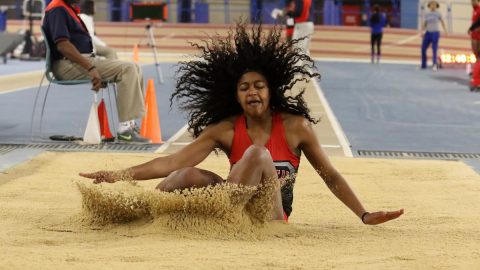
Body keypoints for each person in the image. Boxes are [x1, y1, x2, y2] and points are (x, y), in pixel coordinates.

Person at [80, 22, 404, 225]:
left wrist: (363, 214)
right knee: (186, 173)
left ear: (270, 90)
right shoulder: (225, 128)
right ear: (235, 96)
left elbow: (330, 175)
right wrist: (117, 176)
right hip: (232, 203)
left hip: (271, 217)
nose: (252, 92)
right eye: (244, 87)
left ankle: (223, 216)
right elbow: (172, 161)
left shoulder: (296, 127)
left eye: (258, 86)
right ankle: (138, 212)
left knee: (258, 154)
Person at [42, 0, 150, 143]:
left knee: (135, 67)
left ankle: (129, 123)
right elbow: (63, 46)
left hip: (79, 60)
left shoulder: (67, 8)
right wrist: (91, 68)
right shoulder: (57, 9)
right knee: (128, 69)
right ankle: (125, 130)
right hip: (67, 64)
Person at [420, 0, 448, 71]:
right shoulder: (427, 14)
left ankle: (434, 64)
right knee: (423, 48)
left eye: (434, 4)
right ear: (429, 6)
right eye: (432, 4)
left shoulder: (438, 13)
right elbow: (425, 23)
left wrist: (445, 31)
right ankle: (424, 64)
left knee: (434, 49)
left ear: (436, 6)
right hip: (428, 33)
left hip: (435, 33)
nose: (433, 6)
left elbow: (442, 22)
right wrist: (422, 31)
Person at [468, 0, 480, 91]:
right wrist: (471, 28)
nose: (472, 2)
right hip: (475, 34)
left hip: (478, 35)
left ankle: (475, 81)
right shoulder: (475, 10)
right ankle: (475, 81)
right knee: (478, 57)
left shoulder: (479, 10)